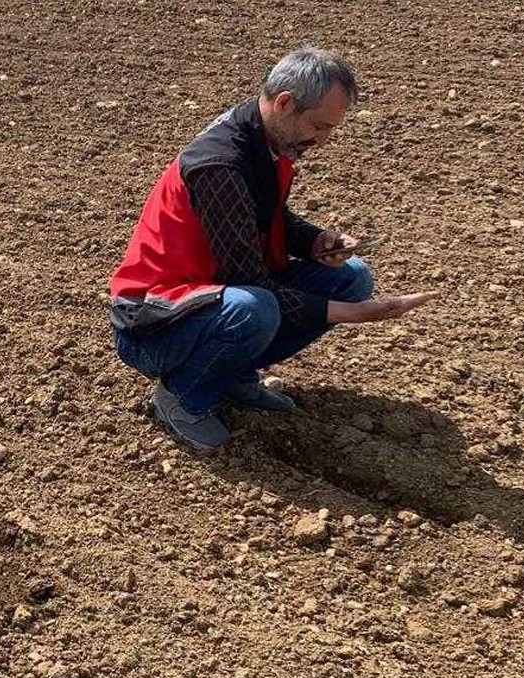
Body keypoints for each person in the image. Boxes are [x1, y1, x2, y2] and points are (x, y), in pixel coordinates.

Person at [107, 46, 438, 451]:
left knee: (351, 276)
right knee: (255, 307)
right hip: (153, 323)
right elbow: (246, 278)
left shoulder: (268, 140)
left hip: (208, 297)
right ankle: (182, 395)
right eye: (319, 126)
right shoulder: (220, 165)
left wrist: (315, 240)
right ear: (284, 103)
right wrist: (354, 315)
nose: (323, 140)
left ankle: (230, 373)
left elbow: (265, 218)